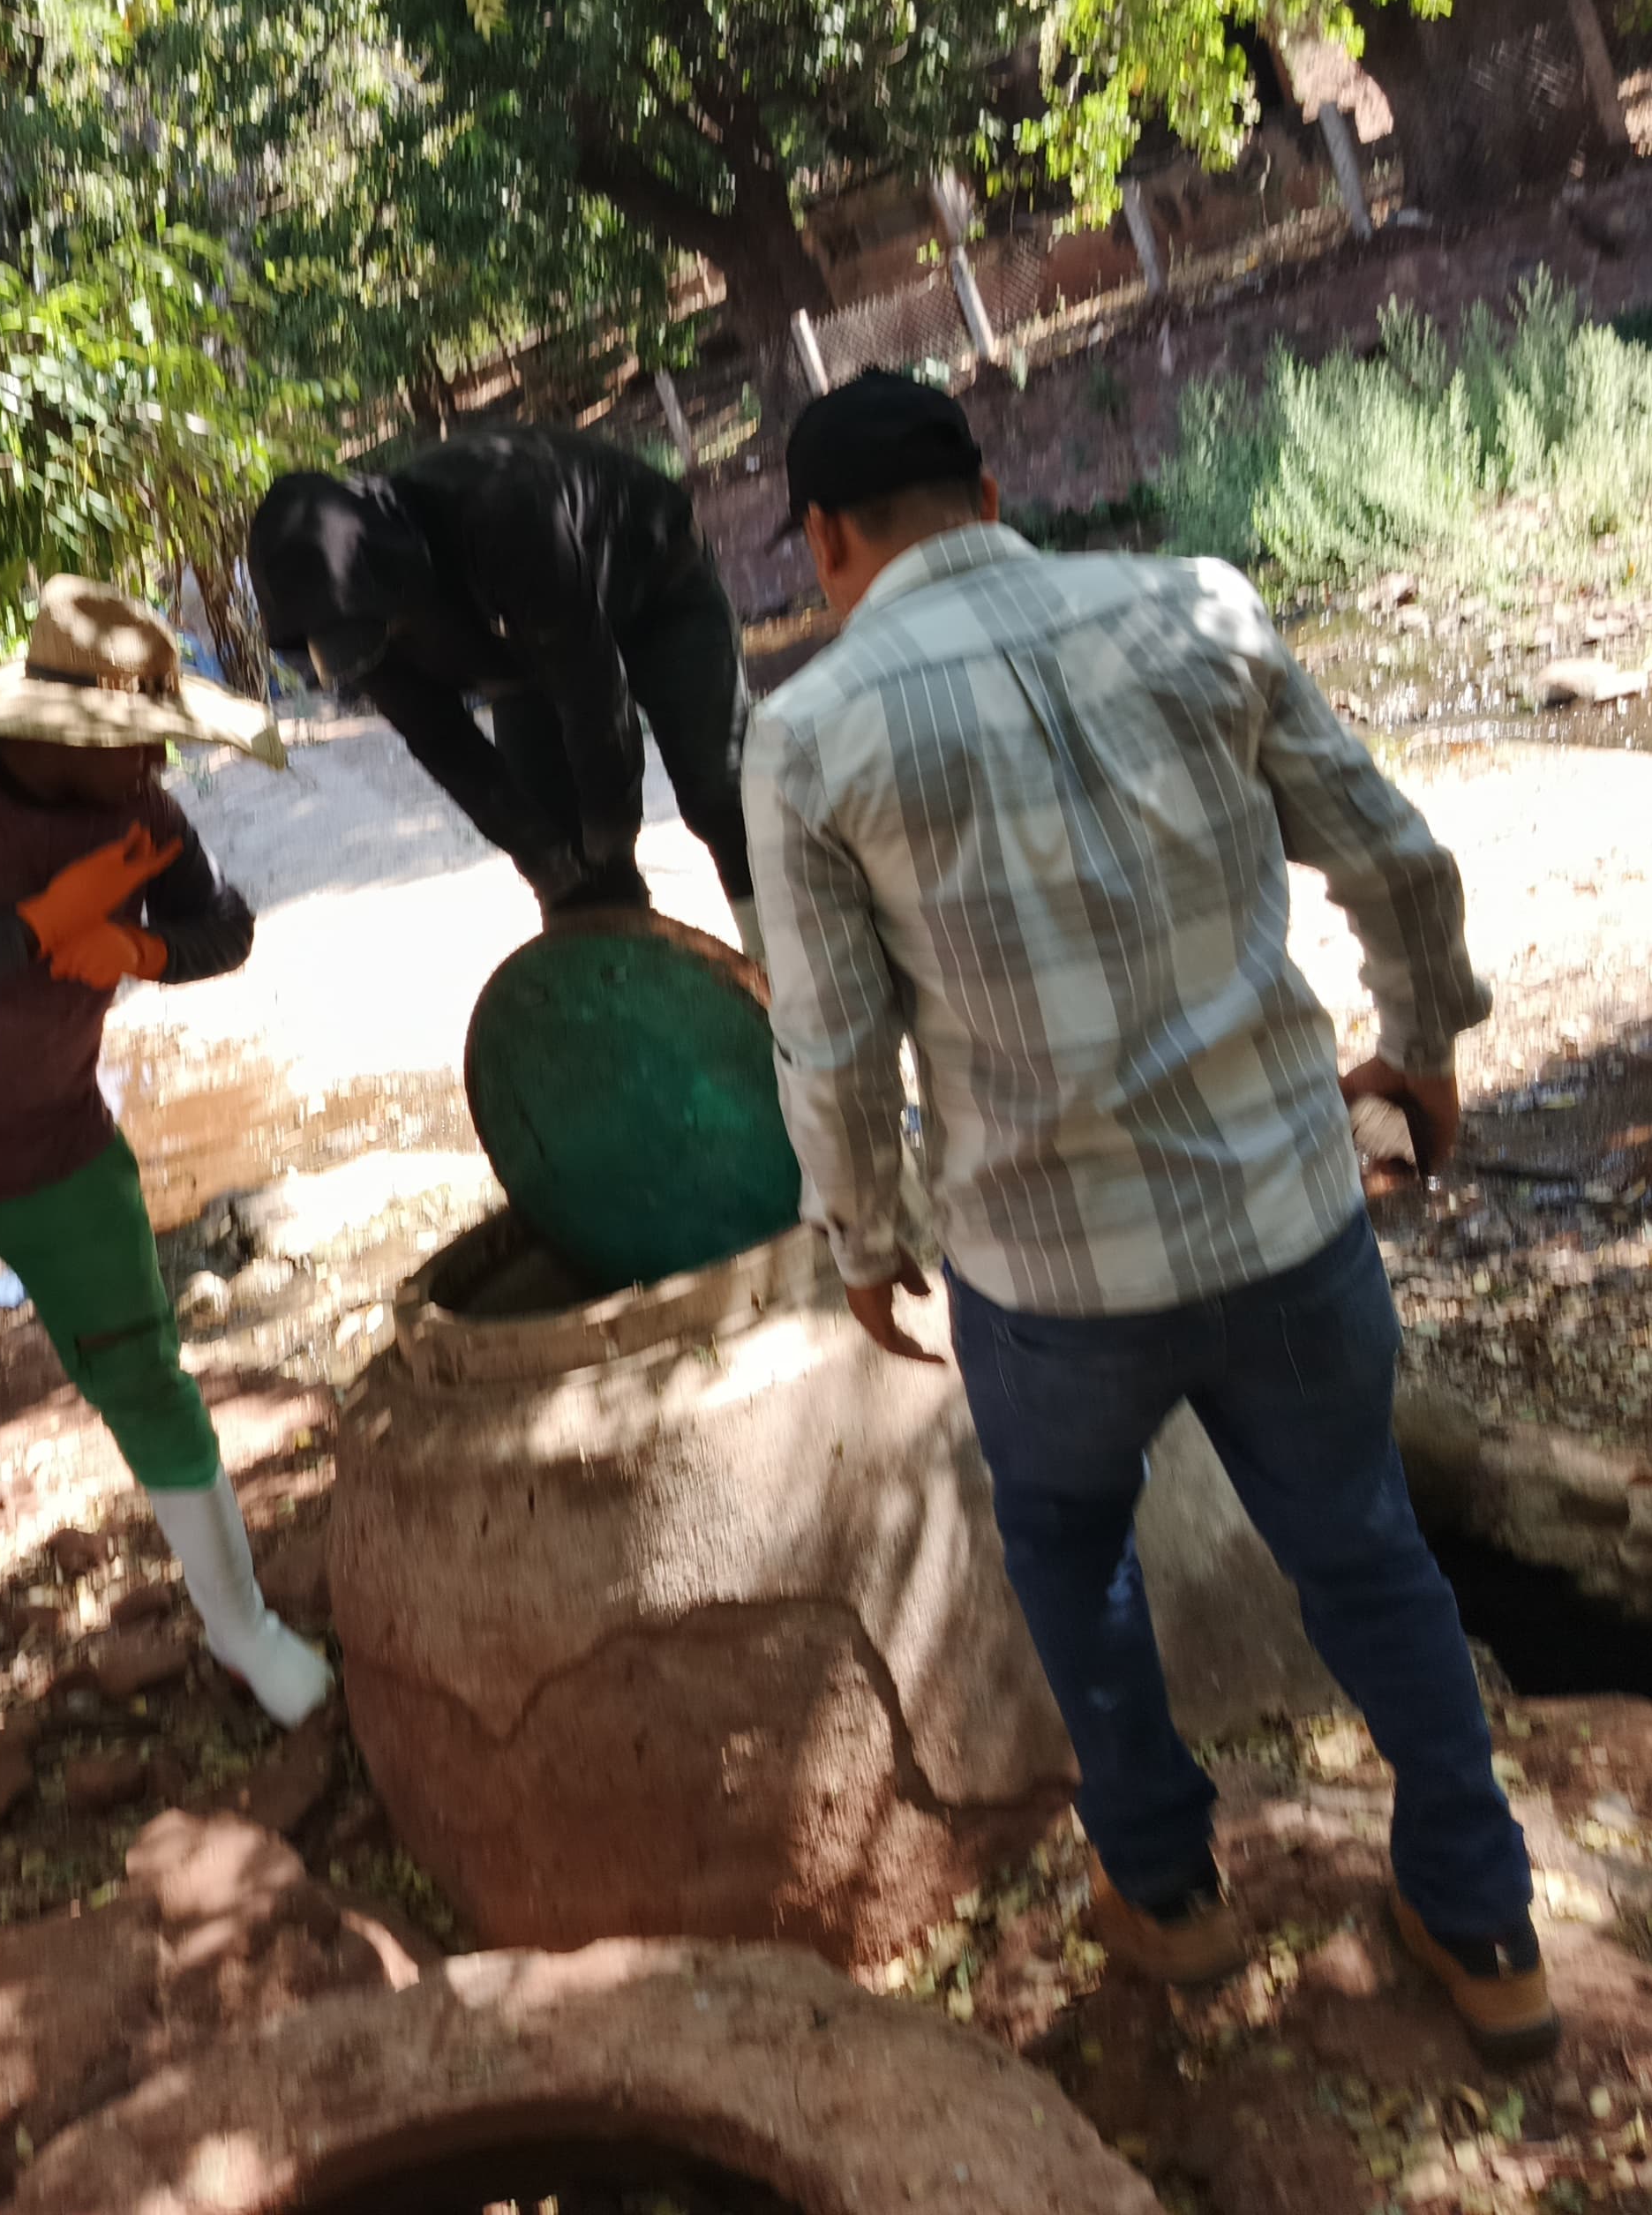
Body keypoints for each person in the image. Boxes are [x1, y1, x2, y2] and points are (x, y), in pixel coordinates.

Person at [738, 372, 1556, 2065]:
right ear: (986, 491)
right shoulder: (1198, 604)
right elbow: (1395, 859)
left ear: (823, 543)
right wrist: (1419, 1043)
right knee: (1363, 1550)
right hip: (1287, 1221)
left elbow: (830, 1043)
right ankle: (1483, 1923)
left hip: (1045, 1278)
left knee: (1071, 1555)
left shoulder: (808, 734)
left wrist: (863, 1237)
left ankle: (1168, 1896)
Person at [0, 576, 330, 1826]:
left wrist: (140, 948)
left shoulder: (140, 809)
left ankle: (242, 1629)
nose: (154, 762)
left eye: (161, 738)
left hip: (56, 1144)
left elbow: (224, 927)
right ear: (52, 730)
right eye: (129, 739)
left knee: (145, 1376)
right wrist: (39, 928)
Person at [244, 425, 759, 951]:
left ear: (388, 570)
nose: (377, 647)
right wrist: (547, 865)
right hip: (523, 660)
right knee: (572, 871)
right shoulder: (347, 620)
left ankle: (782, 965)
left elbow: (592, 690)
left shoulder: (500, 505)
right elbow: (443, 744)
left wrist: (612, 834)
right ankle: (625, 983)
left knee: (719, 796)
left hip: (655, 589)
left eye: (376, 628)